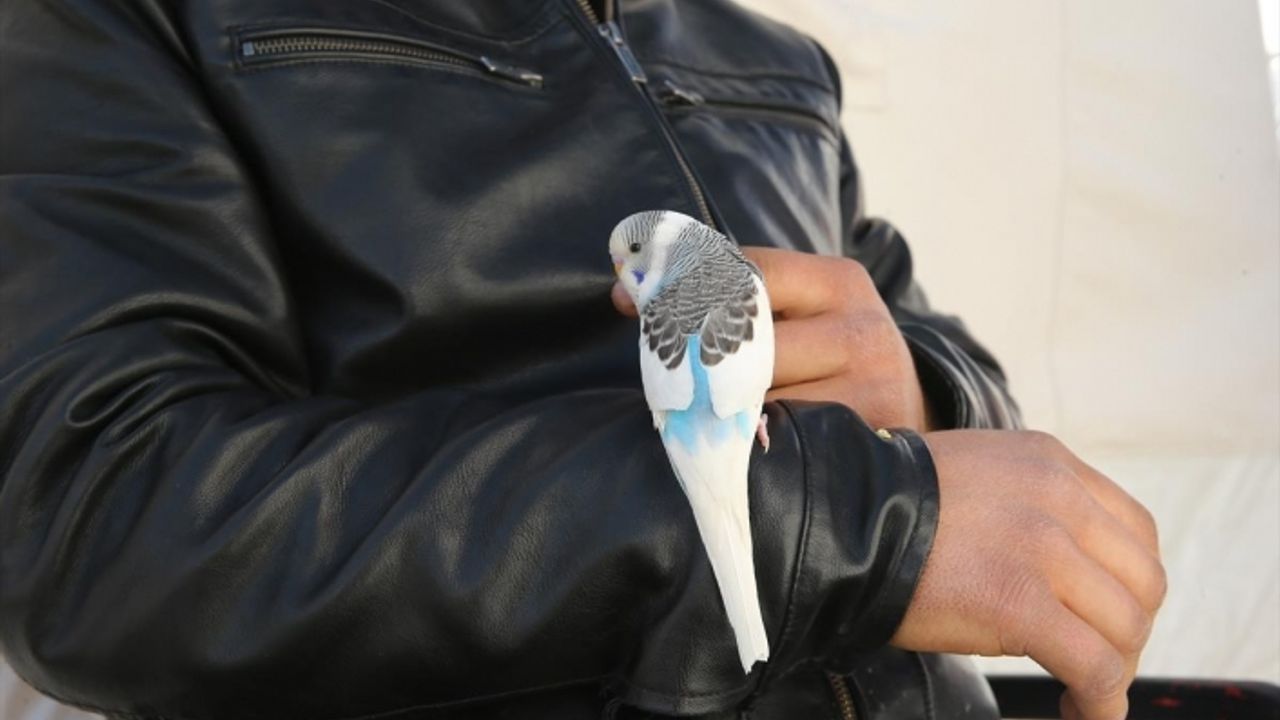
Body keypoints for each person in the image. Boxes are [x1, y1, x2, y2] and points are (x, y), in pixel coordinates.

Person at [0, 0, 1164, 718]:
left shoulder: (773, 66)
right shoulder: (134, 15)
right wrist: (841, 521)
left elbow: (944, 370)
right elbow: (97, 518)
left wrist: (918, 387)